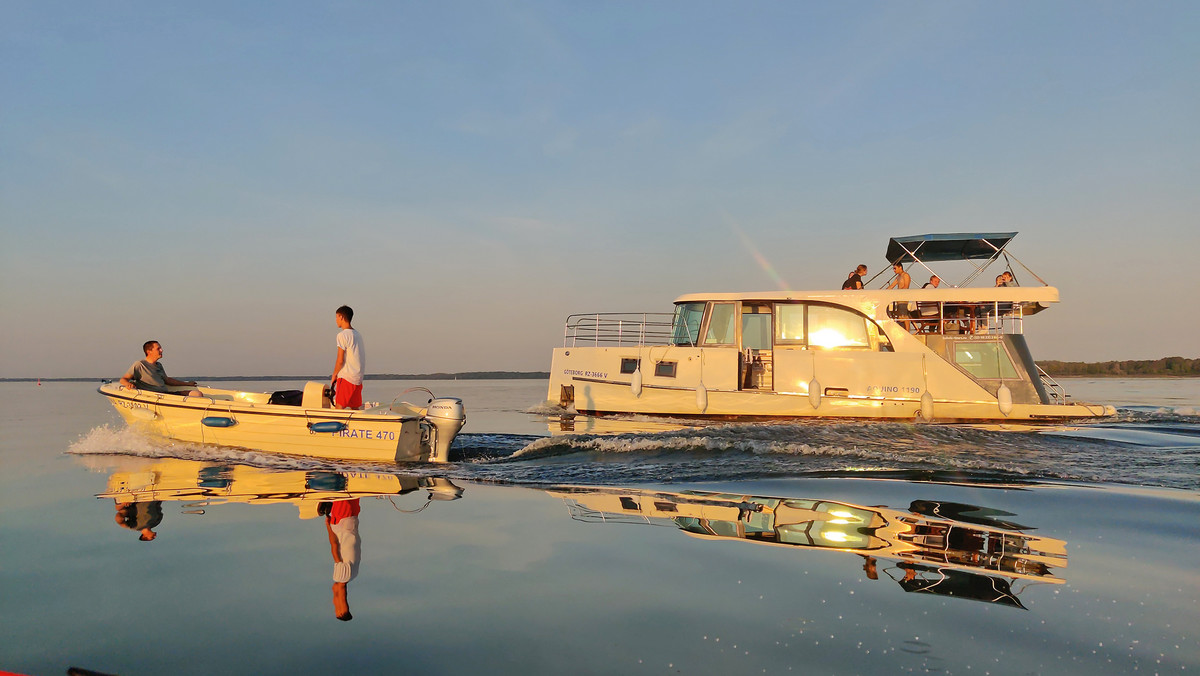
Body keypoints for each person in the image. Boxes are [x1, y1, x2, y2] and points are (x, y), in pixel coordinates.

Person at [320, 498, 362, 621]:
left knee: (352, 491)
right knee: (341, 493)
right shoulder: (341, 577)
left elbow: (338, 592)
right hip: (341, 523)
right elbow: (334, 546)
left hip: (352, 520)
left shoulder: (354, 574)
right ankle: (342, 612)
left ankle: (342, 612)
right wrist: (328, 526)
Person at [119, 341, 200, 396]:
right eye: (158, 349)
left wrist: (187, 384)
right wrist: (128, 384)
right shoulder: (139, 364)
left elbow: (167, 380)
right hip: (153, 397)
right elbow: (123, 379)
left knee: (197, 394)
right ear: (149, 351)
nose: (162, 350)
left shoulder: (159, 365)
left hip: (165, 394)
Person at [330, 305, 366, 410]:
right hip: (358, 378)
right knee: (354, 408)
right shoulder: (357, 335)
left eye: (336, 317)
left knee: (339, 407)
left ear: (341, 317)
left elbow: (340, 360)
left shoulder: (342, 335)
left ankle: (337, 425)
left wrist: (334, 375)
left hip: (347, 377)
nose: (336, 320)